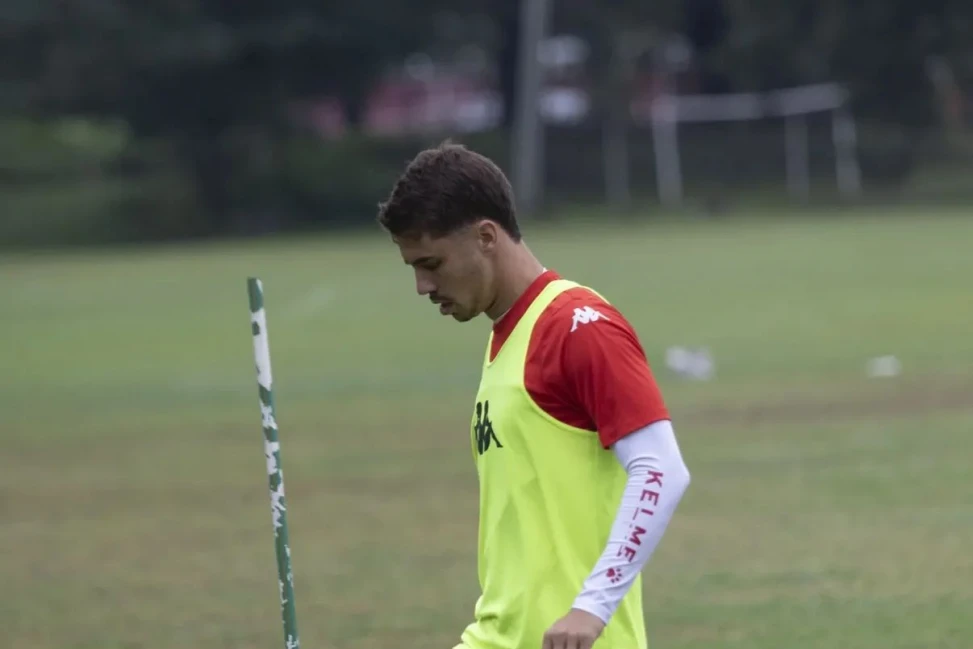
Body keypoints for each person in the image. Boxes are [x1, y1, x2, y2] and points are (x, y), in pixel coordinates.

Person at [377, 141, 691, 649]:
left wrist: (592, 608)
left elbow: (661, 467)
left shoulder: (577, 327)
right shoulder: (505, 337)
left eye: (432, 263)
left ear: (485, 237)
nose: (421, 285)